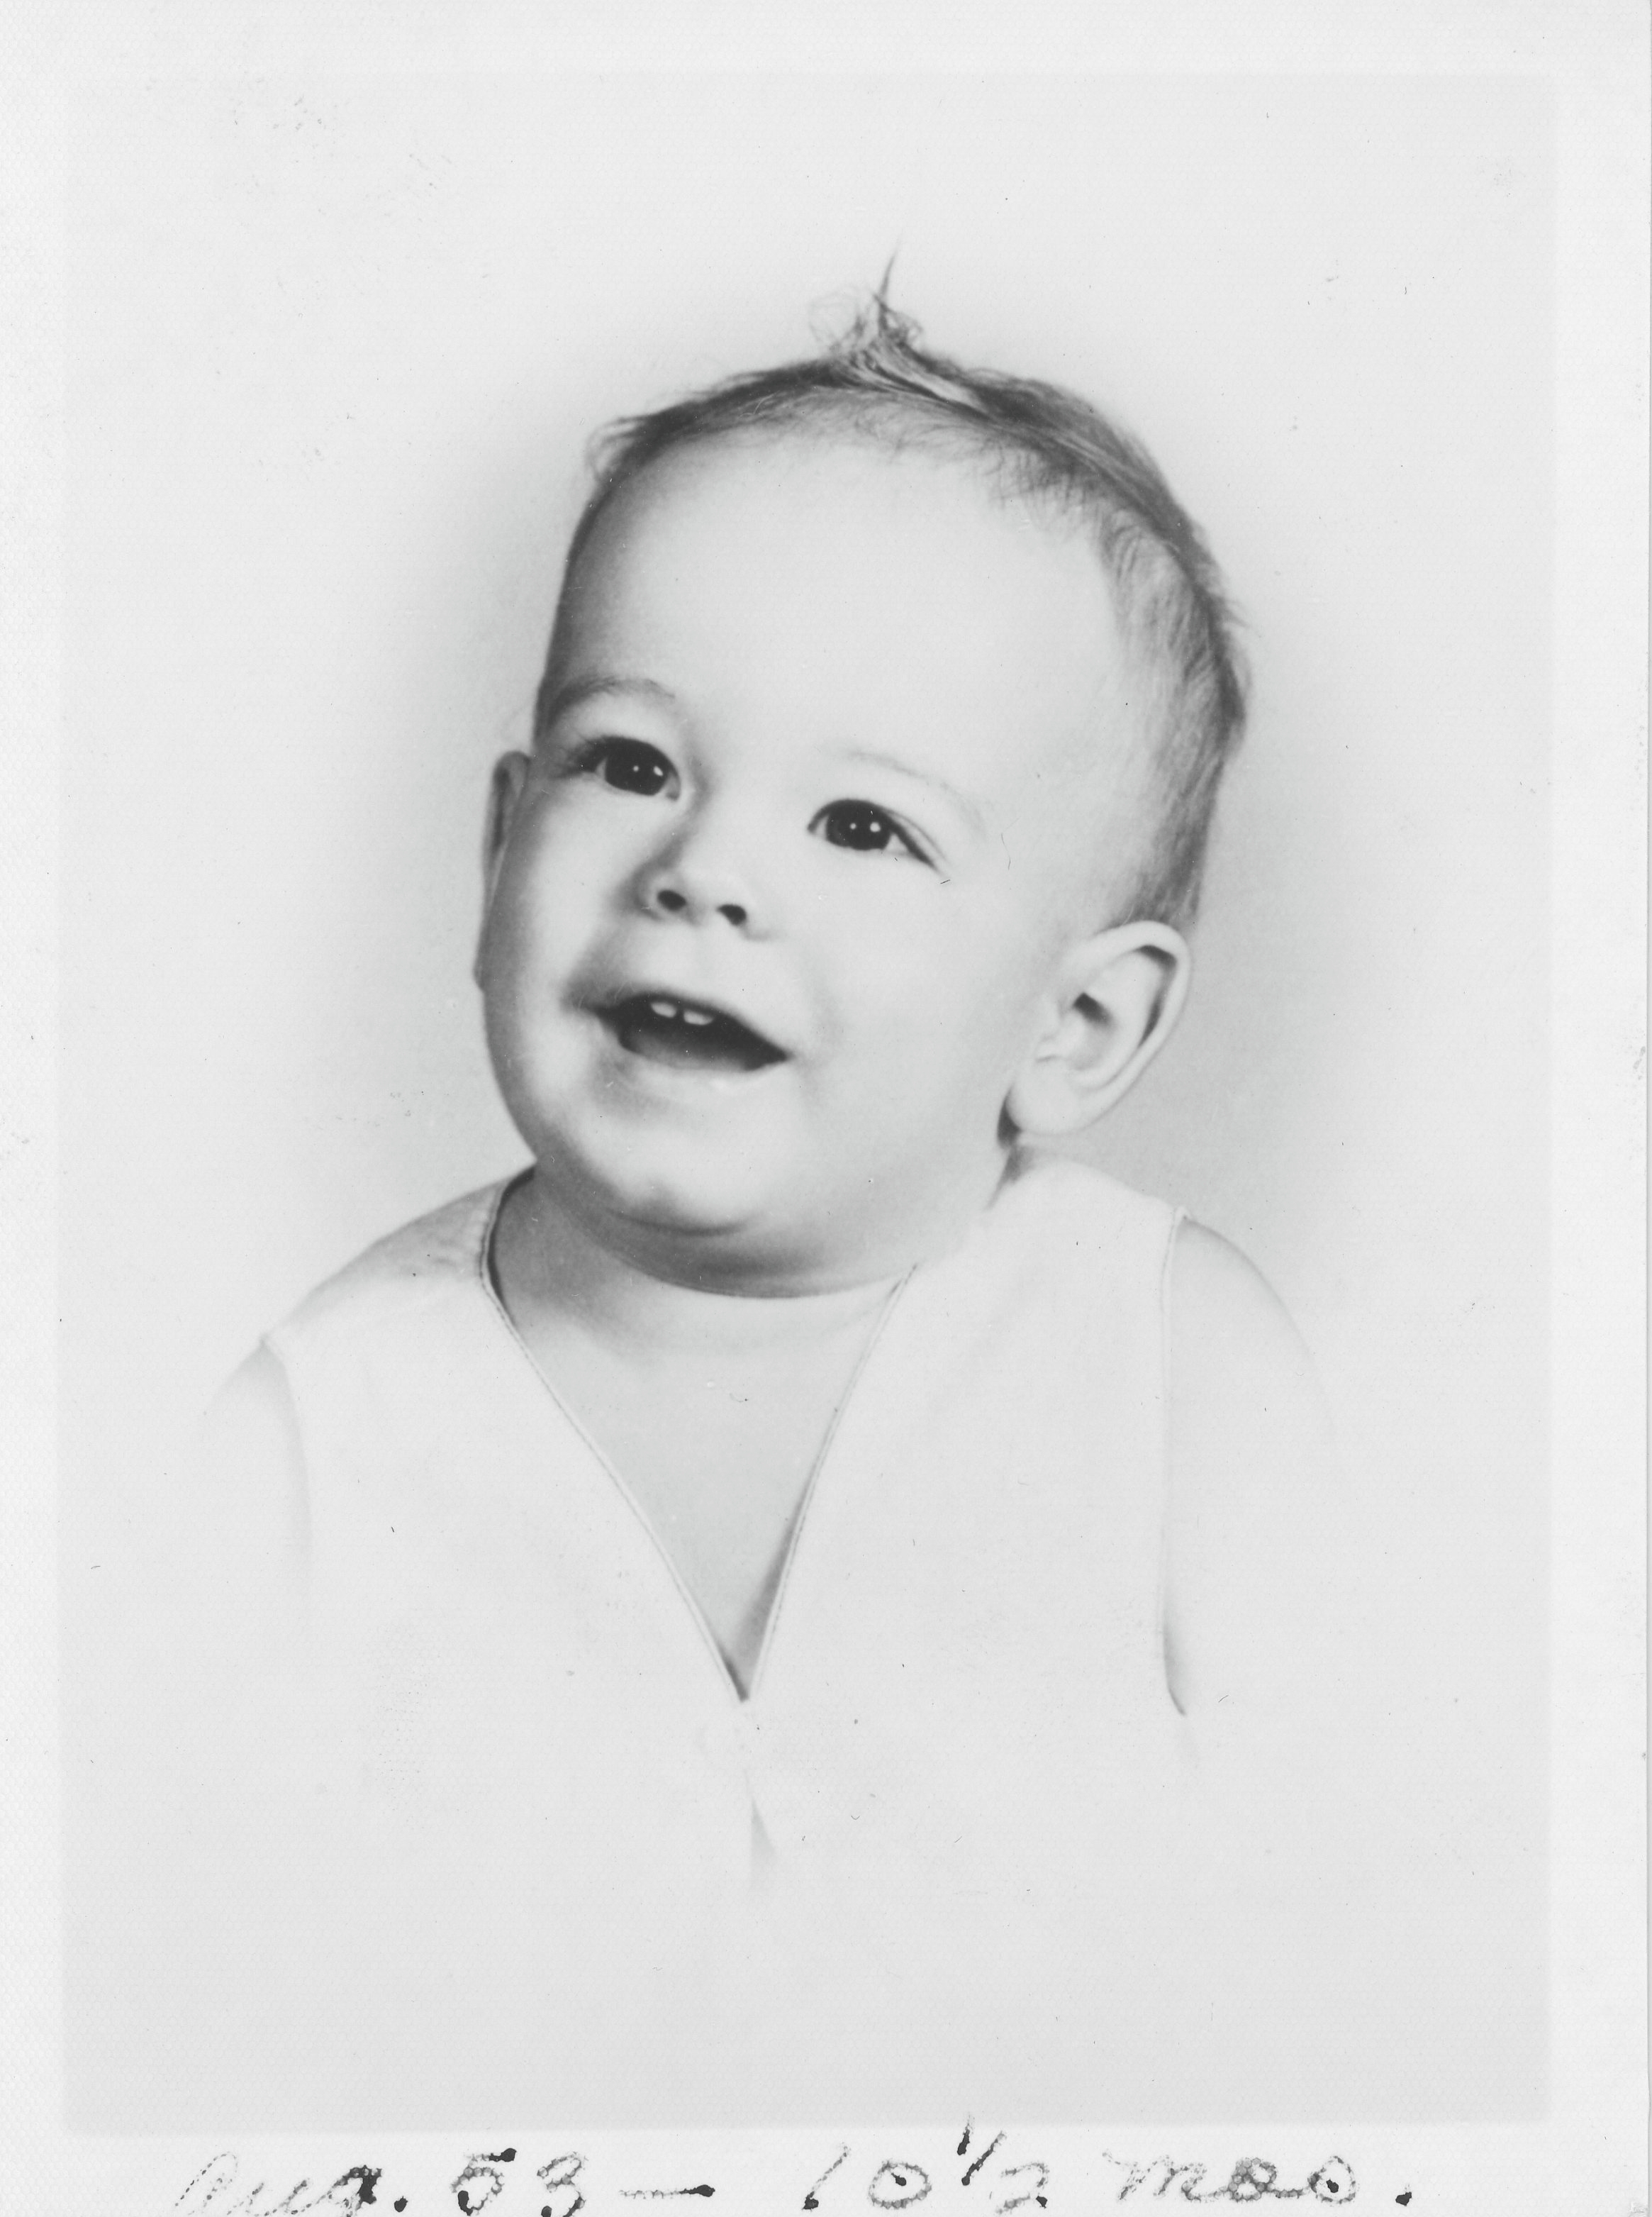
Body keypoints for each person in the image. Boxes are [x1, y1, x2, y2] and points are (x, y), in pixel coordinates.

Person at [82, 299, 1359, 2128]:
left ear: (1076, 1027)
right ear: (497, 852)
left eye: (862, 826)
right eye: (633, 765)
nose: (703, 872)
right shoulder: (319, 1429)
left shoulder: (1173, 1372)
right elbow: (154, 2000)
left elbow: (1349, 1941)